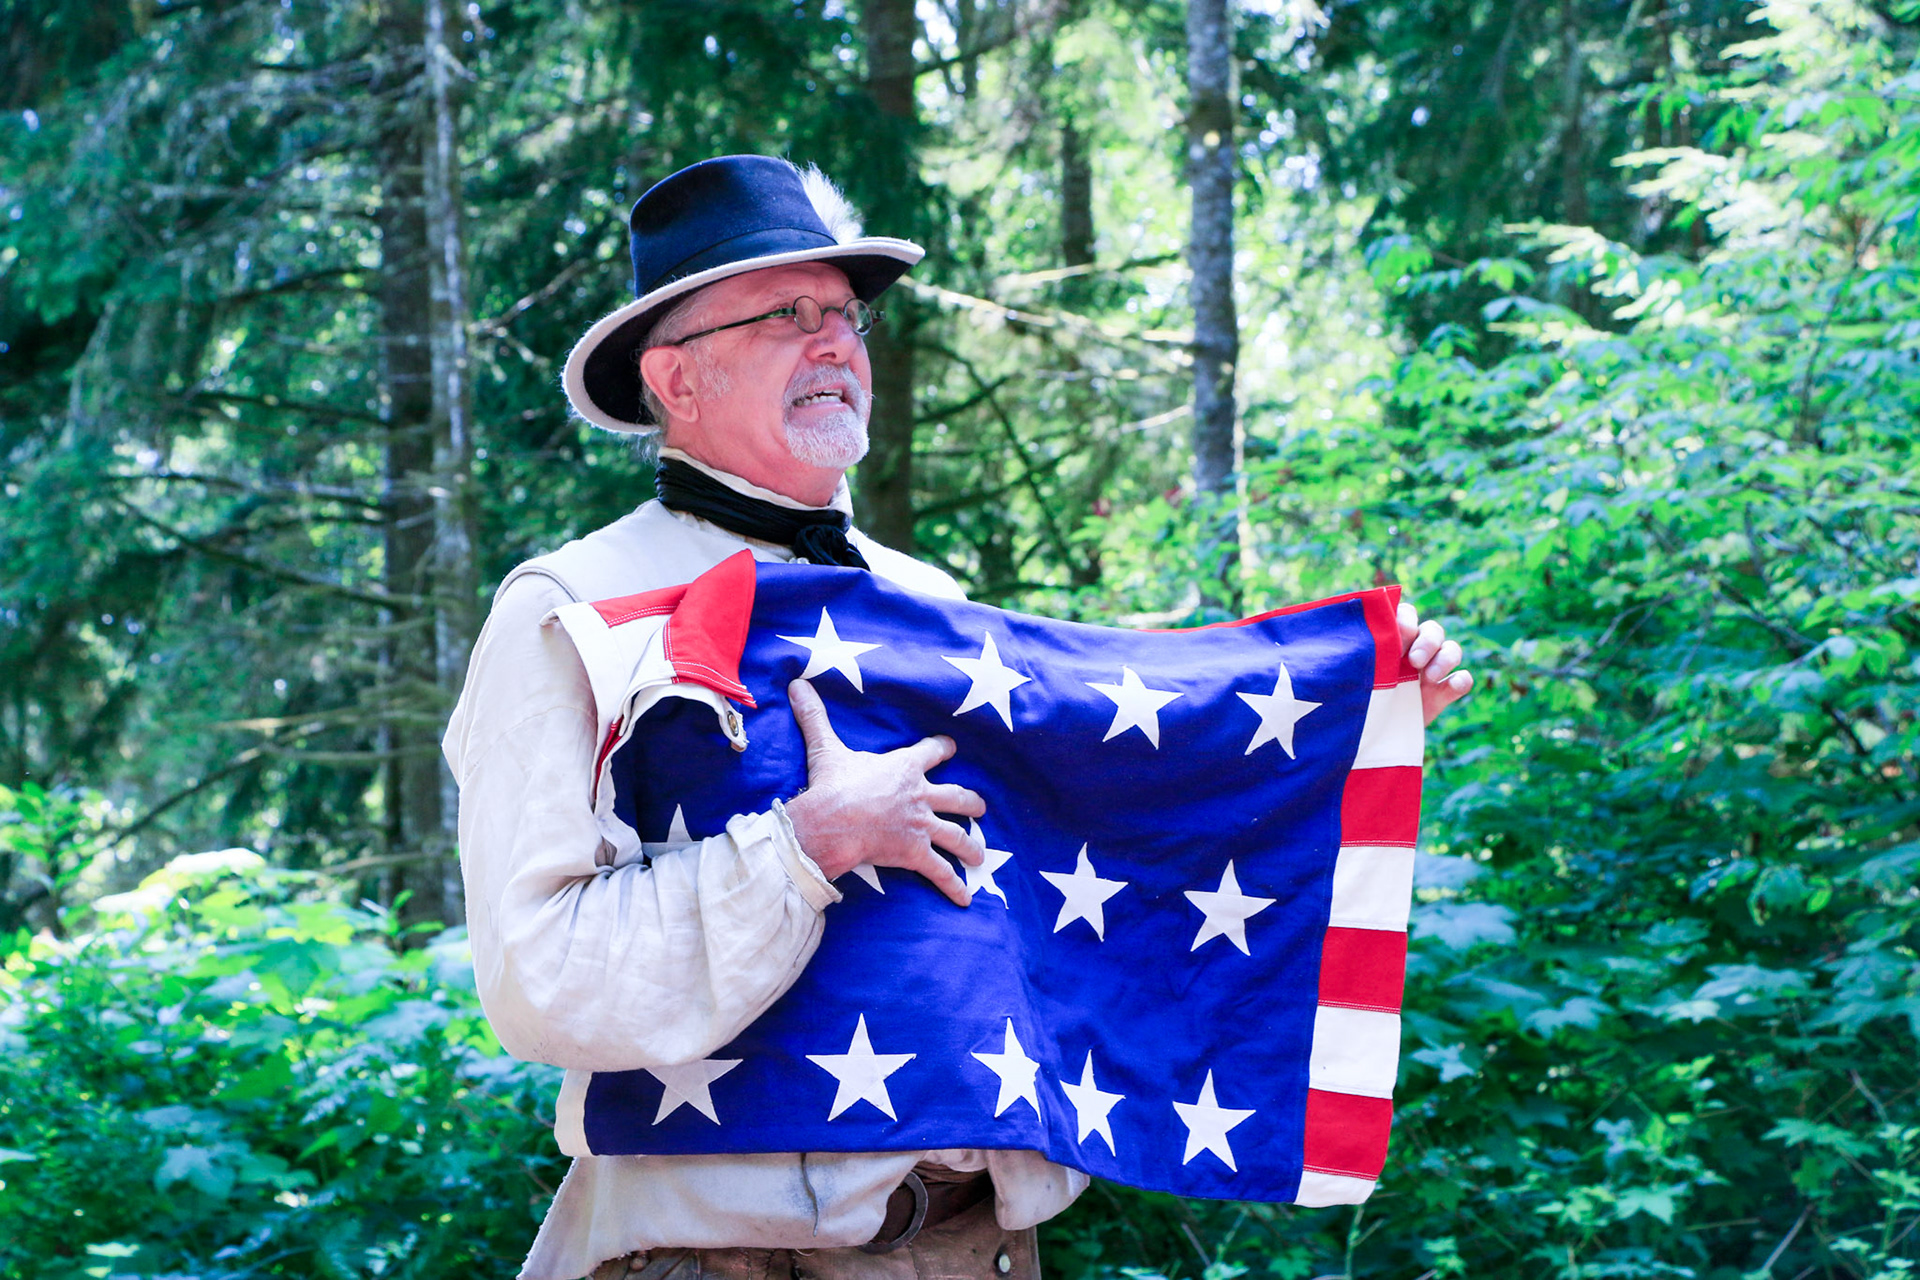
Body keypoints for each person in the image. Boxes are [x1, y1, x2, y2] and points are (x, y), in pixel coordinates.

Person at [443, 155, 1471, 1280]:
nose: (836, 341)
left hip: (979, 1252)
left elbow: (1119, 813)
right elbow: (540, 980)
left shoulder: (930, 604)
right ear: (676, 379)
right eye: (786, 313)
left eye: (847, 314)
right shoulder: (573, 612)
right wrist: (803, 846)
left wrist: (1359, 714)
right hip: (720, 1258)